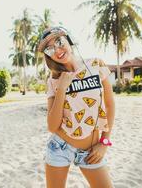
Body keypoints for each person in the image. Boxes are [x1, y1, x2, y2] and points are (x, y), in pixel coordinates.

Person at [38, 26, 115, 188]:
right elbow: (52, 126)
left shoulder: (95, 65)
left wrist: (104, 142)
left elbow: (110, 104)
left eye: (59, 42)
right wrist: (62, 89)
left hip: (91, 150)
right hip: (59, 147)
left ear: (69, 39)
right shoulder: (53, 81)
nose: (57, 50)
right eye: (50, 49)